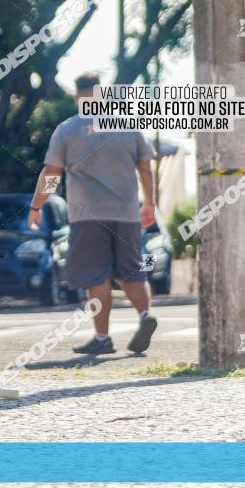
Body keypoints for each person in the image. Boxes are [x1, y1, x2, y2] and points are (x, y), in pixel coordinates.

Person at [28, 73, 158, 355]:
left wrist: (37, 205)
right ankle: (146, 316)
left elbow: (52, 173)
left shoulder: (67, 129)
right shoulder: (128, 125)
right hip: (127, 213)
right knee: (132, 271)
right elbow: (146, 168)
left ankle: (102, 339)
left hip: (88, 215)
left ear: (78, 97)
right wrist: (150, 204)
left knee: (96, 275)